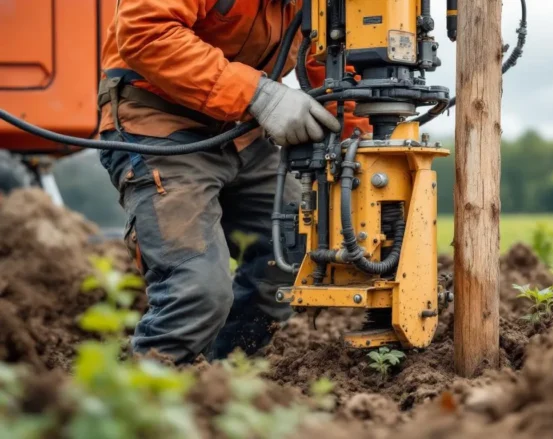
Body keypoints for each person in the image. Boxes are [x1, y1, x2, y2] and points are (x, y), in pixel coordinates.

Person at [95, 0, 372, 364]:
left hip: (241, 131)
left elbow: (332, 61)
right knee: (196, 291)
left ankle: (224, 381)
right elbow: (146, 31)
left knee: (289, 259)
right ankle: (143, 406)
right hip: (157, 127)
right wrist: (258, 94)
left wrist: (360, 153)